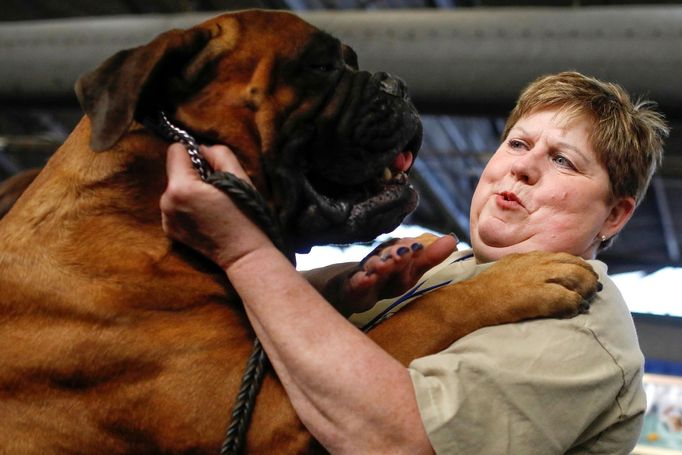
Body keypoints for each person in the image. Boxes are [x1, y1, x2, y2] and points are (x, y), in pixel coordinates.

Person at [159, 71, 668, 454]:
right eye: (517, 142)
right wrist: (340, 291)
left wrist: (245, 251)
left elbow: (396, 440)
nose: (524, 166)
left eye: (563, 160)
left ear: (616, 215)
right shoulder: (449, 264)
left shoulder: (580, 321)